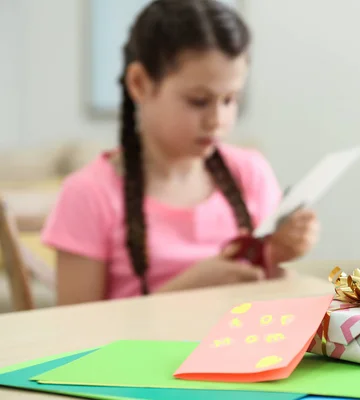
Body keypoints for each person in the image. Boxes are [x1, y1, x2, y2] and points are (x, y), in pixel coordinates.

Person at [41, 0, 319, 305]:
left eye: (230, 100)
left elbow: (277, 305)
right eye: (199, 100)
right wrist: (186, 291)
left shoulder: (251, 173)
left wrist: (279, 255)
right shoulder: (88, 194)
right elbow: (74, 335)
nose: (217, 120)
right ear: (140, 84)